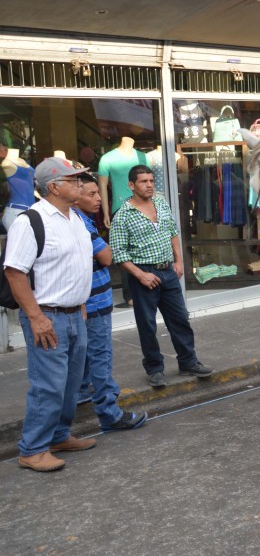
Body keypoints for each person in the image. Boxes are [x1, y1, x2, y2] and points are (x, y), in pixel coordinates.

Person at [4, 158, 95, 472]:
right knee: (49, 385)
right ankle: (32, 449)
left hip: (74, 314)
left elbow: (76, 264)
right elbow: (15, 272)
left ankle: (58, 436)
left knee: (71, 384)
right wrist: (36, 317)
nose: (80, 184)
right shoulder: (30, 221)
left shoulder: (75, 218)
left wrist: (80, 304)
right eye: (74, 180)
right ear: (54, 187)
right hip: (47, 316)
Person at [109, 165, 213, 388]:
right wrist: (141, 275)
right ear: (131, 185)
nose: (149, 185)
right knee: (147, 325)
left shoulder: (161, 203)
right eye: (143, 182)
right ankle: (155, 369)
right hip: (143, 274)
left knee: (180, 319)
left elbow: (173, 232)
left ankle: (189, 362)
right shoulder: (123, 215)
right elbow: (119, 254)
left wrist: (179, 261)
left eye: (151, 181)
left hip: (168, 271)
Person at [72, 172, 148, 431]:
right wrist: (106, 248)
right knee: (100, 355)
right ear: (75, 196)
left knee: (85, 354)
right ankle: (110, 413)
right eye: (91, 194)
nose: (98, 199)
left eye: (98, 193)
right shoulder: (80, 223)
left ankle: (82, 391)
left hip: (90, 300)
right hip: (93, 302)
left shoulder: (79, 220)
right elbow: (106, 257)